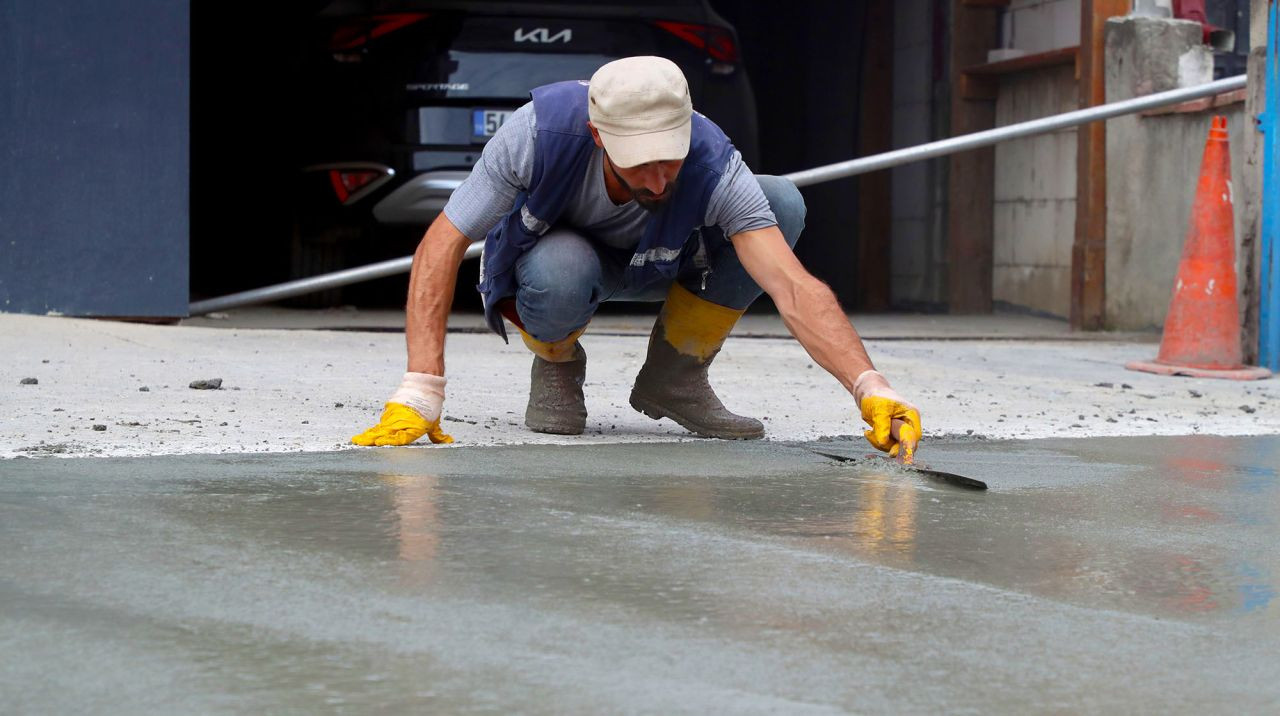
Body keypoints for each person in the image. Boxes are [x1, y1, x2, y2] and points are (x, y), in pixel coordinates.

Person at [353, 56, 921, 459]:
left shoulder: (712, 157)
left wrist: (870, 385)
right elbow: (439, 246)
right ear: (599, 135)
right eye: (637, 162)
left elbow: (793, 287)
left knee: (780, 201)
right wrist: (421, 391)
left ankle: (675, 374)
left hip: (667, 264)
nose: (656, 179)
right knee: (561, 268)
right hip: (561, 274)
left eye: (668, 159)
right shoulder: (537, 134)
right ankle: (556, 360)